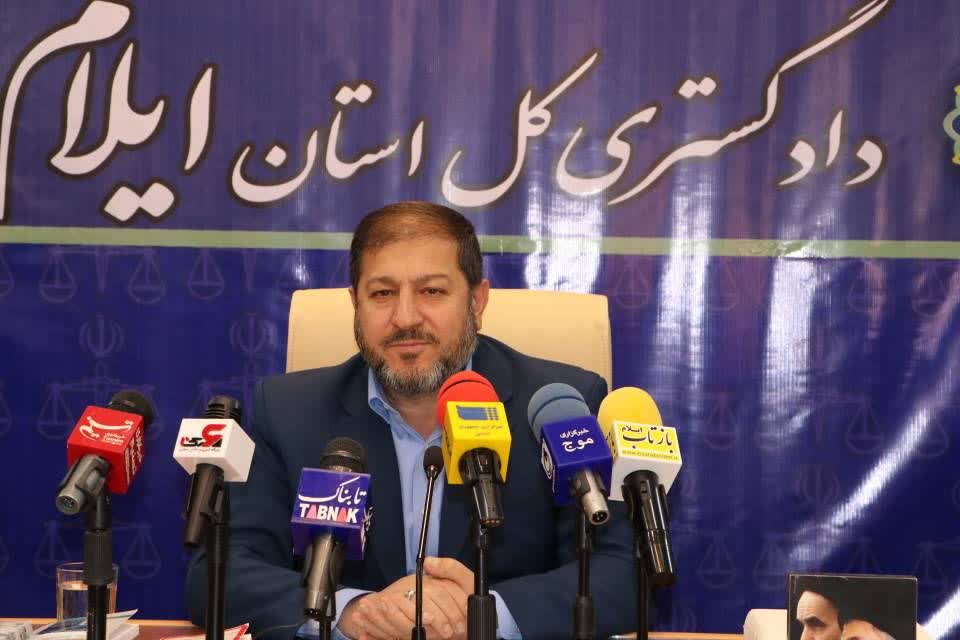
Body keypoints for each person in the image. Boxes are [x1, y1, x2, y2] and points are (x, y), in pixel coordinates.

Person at [185, 201, 636, 640]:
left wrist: (487, 613)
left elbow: (624, 572)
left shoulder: (561, 407)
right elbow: (218, 575)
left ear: (477, 300)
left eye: (432, 291)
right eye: (382, 293)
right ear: (355, 303)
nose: (405, 318)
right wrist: (350, 611)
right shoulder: (288, 411)